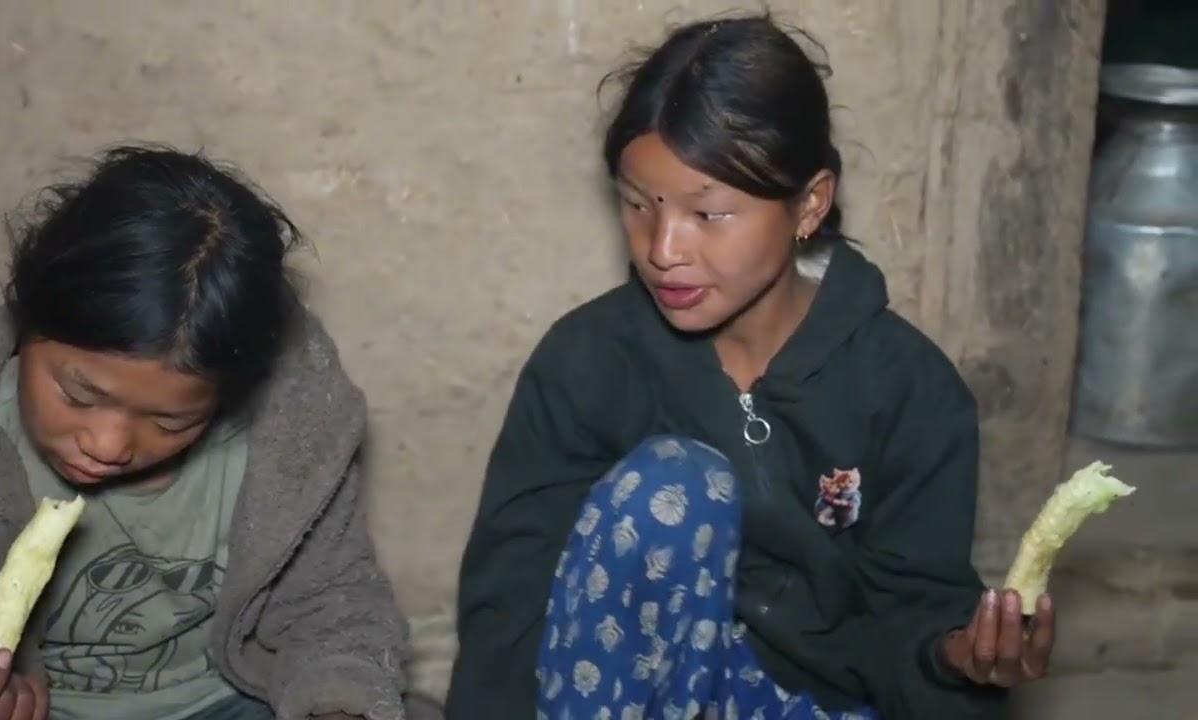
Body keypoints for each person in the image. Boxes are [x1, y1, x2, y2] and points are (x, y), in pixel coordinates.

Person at [447, 13, 1057, 720]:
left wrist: (958, 657)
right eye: (638, 204)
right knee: (674, 486)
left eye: (709, 215)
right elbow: (512, 605)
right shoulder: (587, 363)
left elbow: (911, 609)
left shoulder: (907, 390)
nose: (664, 247)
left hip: (814, 703)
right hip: (625, 701)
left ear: (809, 203)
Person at [0, 145, 418, 720]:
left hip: (234, 700)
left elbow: (334, 606)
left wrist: (340, 706)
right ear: (28, 321)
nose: (107, 445)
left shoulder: (287, 444)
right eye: (78, 395)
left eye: (169, 421)